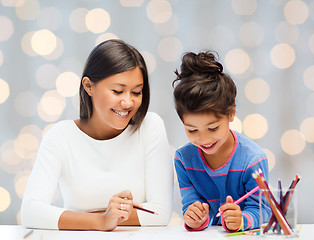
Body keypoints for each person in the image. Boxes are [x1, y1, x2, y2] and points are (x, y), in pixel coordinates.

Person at [21, 39, 173, 231]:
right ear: (89, 86)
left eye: (136, 92)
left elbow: (160, 213)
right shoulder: (60, 137)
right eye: (118, 91)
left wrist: (80, 218)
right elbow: (30, 211)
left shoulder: (150, 127)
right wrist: (101, 220)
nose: (128, 102)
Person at [172, 51, 271, 232]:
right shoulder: (183, 159)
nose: (204, 139)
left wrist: (241, 219)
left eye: (213, 128)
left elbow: (263, 210)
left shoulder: (253, 159)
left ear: (231, 112)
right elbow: (191, 206)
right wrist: (196, 217)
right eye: (192, 130)